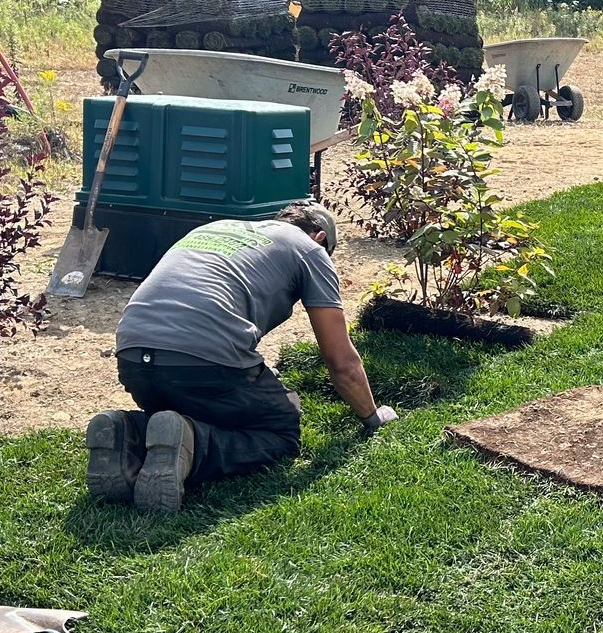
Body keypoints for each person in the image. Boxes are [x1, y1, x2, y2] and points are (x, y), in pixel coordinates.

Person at [86, 201, 396, 514]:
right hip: (203, 361)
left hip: (133, 356)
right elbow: (341, 362)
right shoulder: (309, 250)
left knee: (202, 402)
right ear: (318, 237)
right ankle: (193, 447)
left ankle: (128, 430)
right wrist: (372, 417)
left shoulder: (216, 228)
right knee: (281, 428)